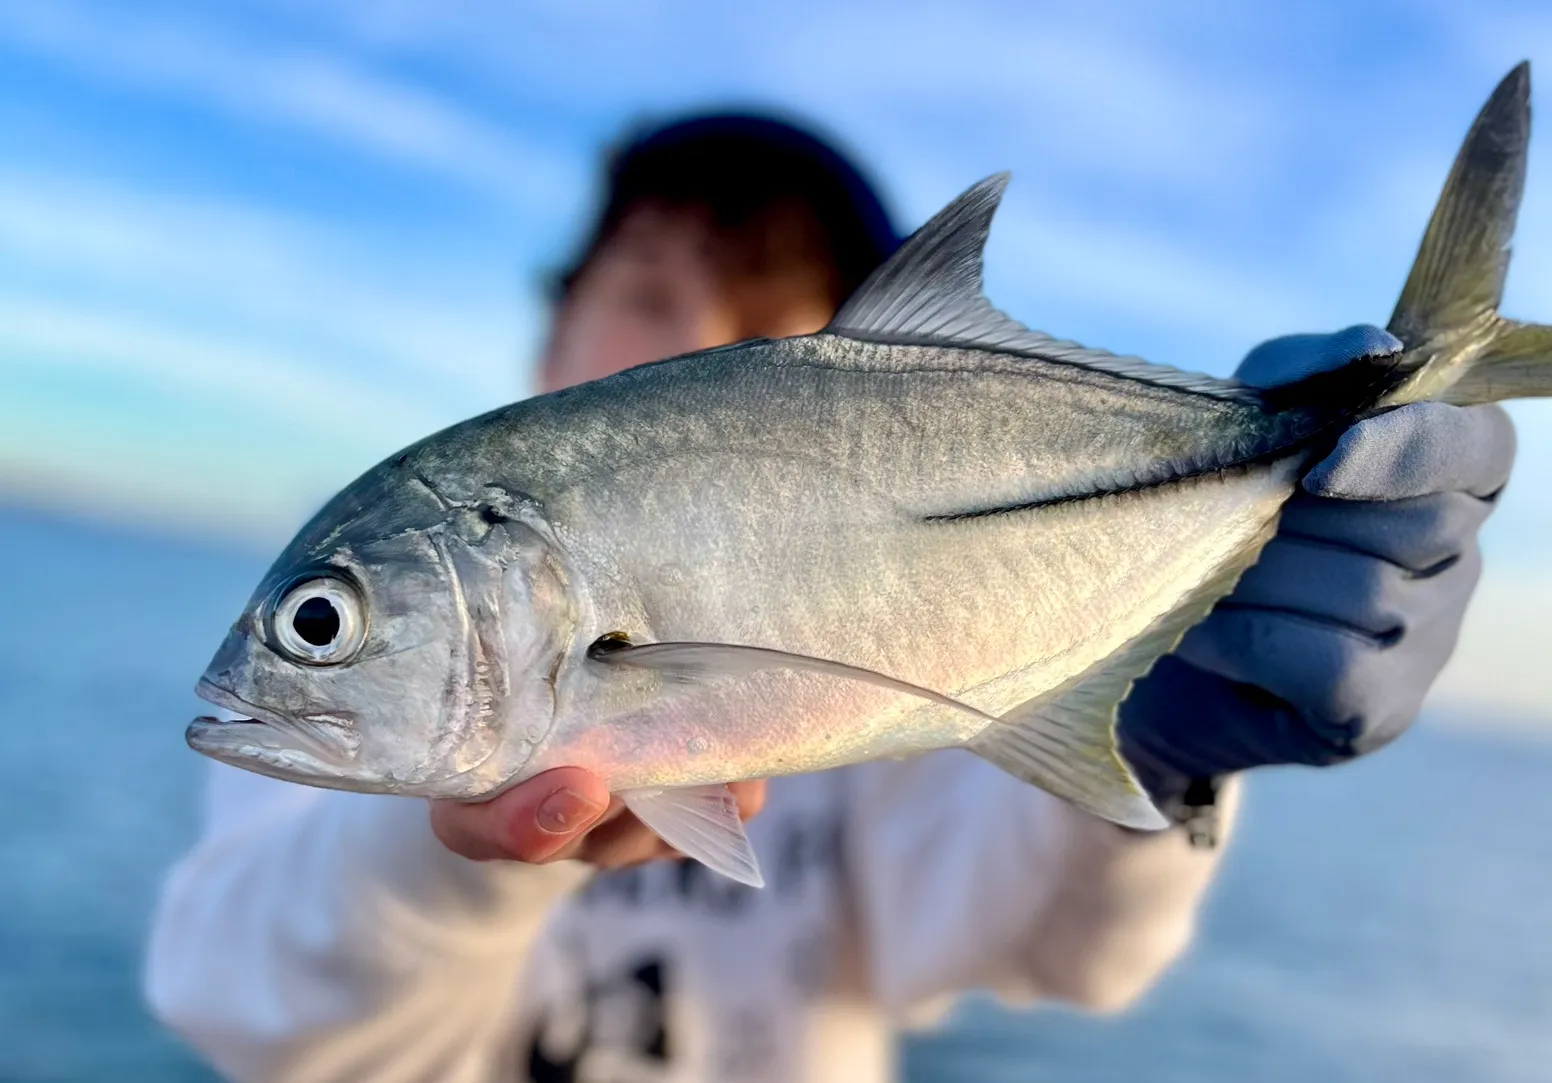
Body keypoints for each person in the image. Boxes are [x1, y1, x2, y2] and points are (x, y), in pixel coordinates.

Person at [145, 112, 1516, 1083]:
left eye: (763, 314)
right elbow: (252, 1015)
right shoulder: (324, 763)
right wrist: (453, 853)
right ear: (558, 321)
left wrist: (1161, 750)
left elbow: (1051, 950)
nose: (693, 341)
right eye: (651, 291)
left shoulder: (886, 787)